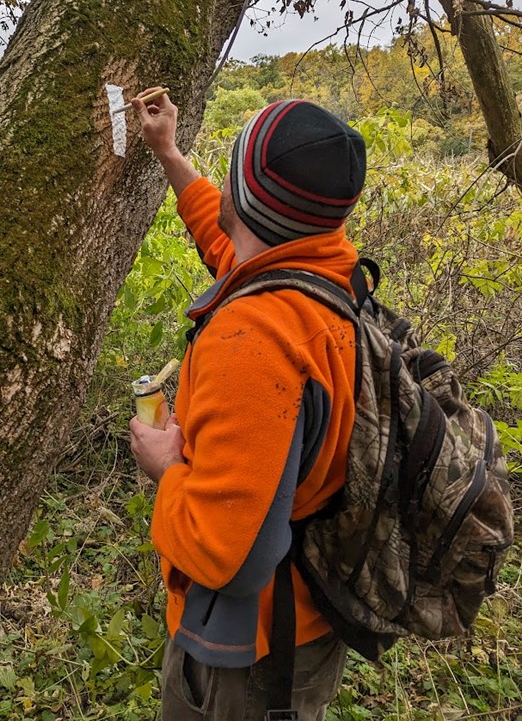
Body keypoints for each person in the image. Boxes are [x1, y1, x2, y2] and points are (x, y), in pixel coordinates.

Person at [128, 87, 367, 721]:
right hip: (308, 619)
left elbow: (223, 553)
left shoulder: (254, 343)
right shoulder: (328, 273)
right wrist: (168, 153)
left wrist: (165, 469)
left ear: (249, 199)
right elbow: (227, 236)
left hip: (251, 655)